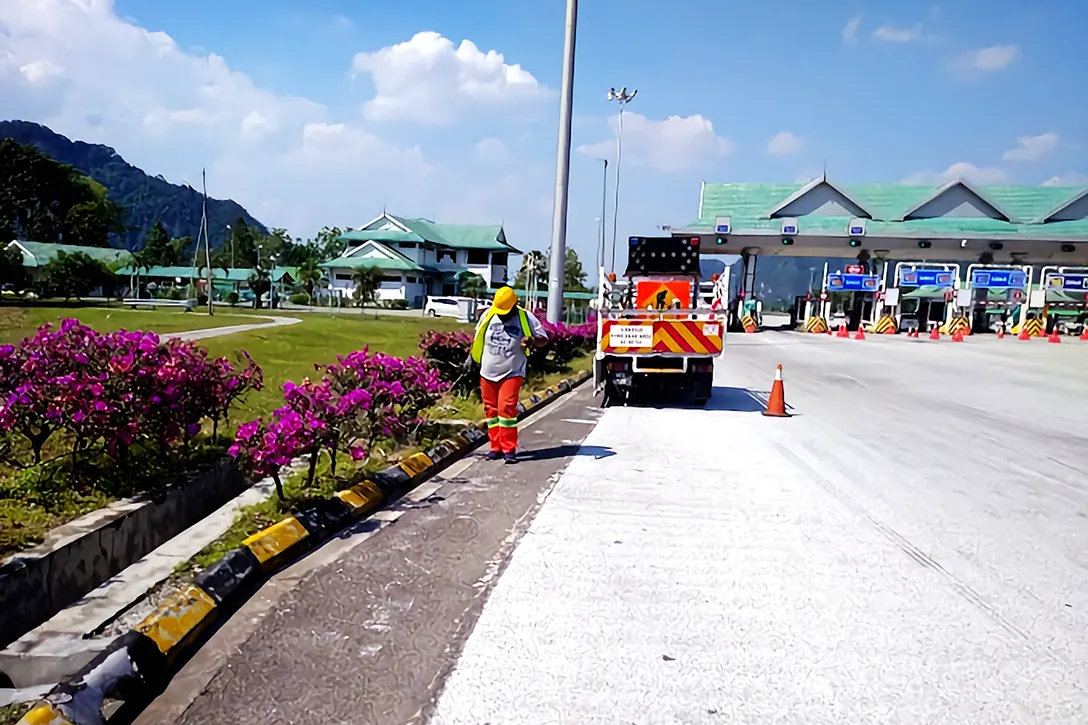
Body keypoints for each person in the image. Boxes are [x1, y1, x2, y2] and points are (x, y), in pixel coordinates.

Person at [466, 286, 548, 464]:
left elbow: (544, 338)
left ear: (514, 306)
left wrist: (532, 340)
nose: (502, 315)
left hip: (512, 371)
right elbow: (478, 336)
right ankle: (495, 447)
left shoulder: (525, 317)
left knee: (506, 410)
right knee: (491, 411)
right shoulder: (488, 315)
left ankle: (509, 449)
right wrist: (471, 357)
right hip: (487, 372)